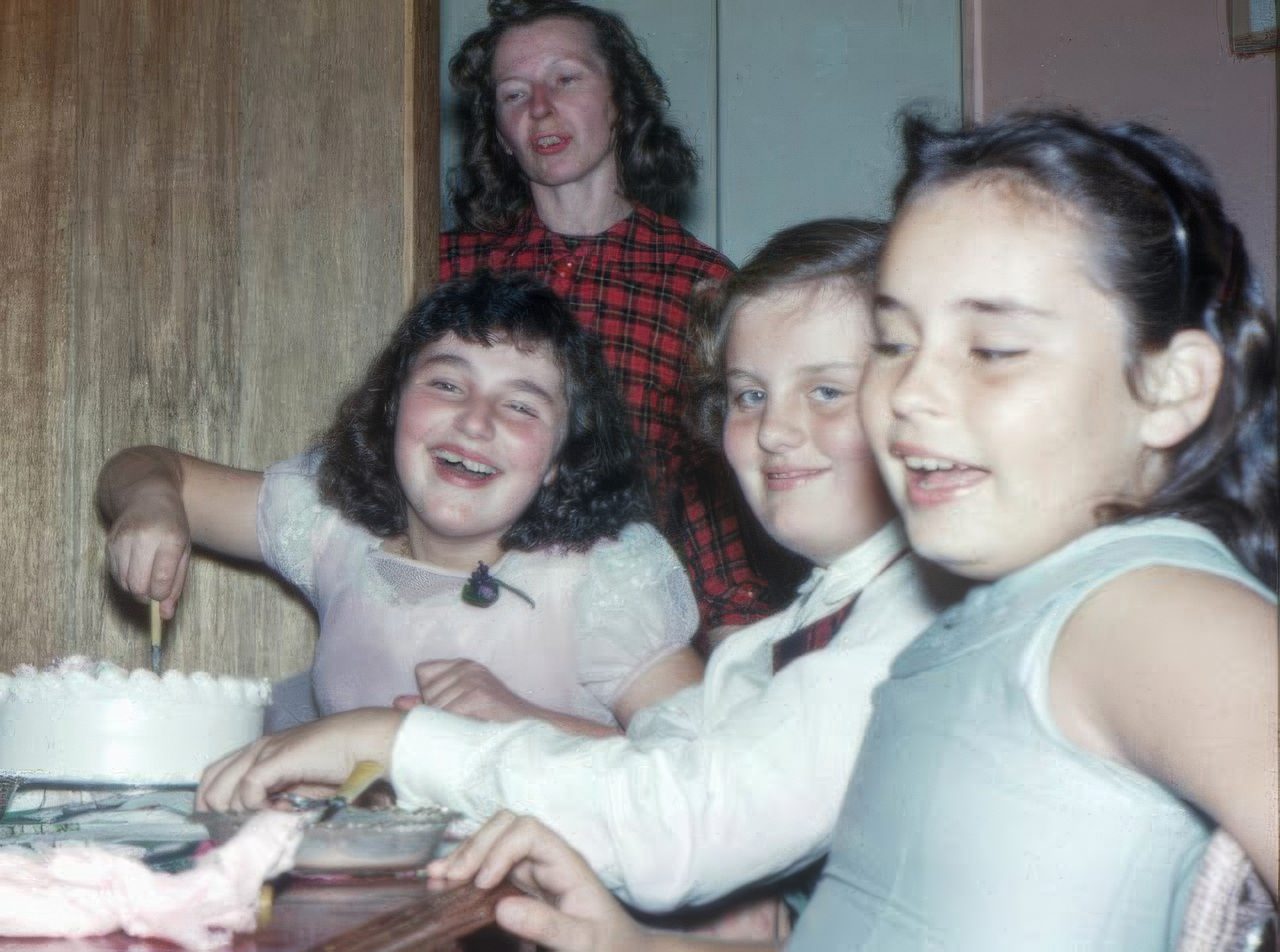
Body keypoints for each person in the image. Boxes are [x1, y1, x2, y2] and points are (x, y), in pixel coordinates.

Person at [412, 110, 1280, 952]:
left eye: (992, 348)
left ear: (1169, 390)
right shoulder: (982, 618)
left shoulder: (1152, 609)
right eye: (898, 346)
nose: (905, 396)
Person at [195, 219, 955, 922]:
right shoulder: (792, 634)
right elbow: (677, 763)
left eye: (825, 391)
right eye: (749, 395)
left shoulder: (908, 636)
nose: (776, 430)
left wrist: (396, 741)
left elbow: (678, 827)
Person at [98, 271, 703, 738]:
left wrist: (525, 724)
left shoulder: (603, 579)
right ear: (393, 409)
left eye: (521, 405)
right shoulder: (331, 528)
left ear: (559, 461)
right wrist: (150, 500)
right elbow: (151, 468)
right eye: (446, 384)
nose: (474, 421)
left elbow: (705, 775)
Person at [440, 0, 789, 635]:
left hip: (619, 632)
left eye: (566, 79)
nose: (540, 107)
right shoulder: (440, 268)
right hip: (451, 617)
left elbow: (713, 509)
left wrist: (741, 667)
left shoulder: (700, 286)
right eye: (513, 93)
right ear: (499, 131)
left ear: (621, 101)